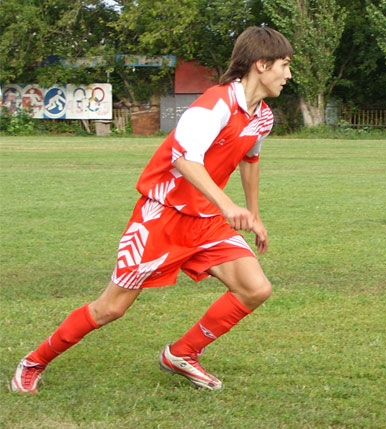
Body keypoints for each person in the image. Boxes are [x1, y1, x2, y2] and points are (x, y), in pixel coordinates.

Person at [11, 26, 293, 394]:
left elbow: (250, 159)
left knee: (254, 288)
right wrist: (227, 204)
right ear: (261, 63)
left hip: (205, 222)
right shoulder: (215, 104)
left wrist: (253, 214)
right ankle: (33, 361)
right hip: (161, 217)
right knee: (110, 308)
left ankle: (182, 354)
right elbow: (184, 159)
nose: (287, 75)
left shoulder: (263, 117)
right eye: (284, 66)